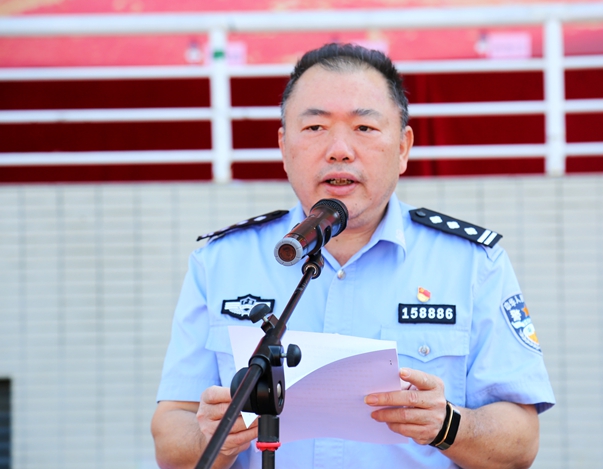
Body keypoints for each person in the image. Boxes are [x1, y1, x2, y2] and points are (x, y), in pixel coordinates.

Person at [151, 43, 555, 469]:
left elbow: (520, 443)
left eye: (364, 127)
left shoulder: (472, 265)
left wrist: (448, 426)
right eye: (315, 127)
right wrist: (212, 436)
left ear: (403, 148)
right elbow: (170, 439)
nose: (339, 149)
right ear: (284, 147)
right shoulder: (220, 263)